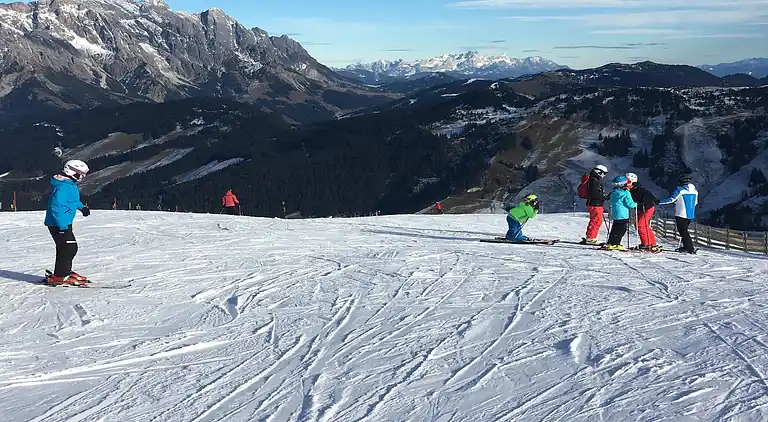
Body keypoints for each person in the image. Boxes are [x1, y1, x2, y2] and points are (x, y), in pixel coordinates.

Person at [44, 159, 91, 285]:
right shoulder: (63, 187)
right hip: (58, 224)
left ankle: (62, 273)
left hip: (63, 223)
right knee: (69, 247)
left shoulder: (69, 184)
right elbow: (56, 208)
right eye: (79, 174)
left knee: (65, 247)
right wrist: (62, 226)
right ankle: (61, 275)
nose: (81, 177)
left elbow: (72, 200)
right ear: (71, 172)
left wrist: (82, 207)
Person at [659, 174, 699, 254]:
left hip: (681, 214)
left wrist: (659, 202)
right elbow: (696, 202)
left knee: (683, 232)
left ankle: (690, 249)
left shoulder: (679, 189)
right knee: (684, 230)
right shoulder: (695, 191)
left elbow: (672, 199)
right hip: (690, 214)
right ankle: (686, 246)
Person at [626, 173, 661, 252]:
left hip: (647, 208)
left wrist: (645, 202)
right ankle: (651, 243)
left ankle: (647, 244)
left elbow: (647, 196)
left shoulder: (637, 190)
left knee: (640, 225)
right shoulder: (633, 189)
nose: (625, 183)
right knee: (643, 225)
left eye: (627, 181)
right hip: (642, 208)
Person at [605, 175, 638, 251]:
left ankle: (610, 242)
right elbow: (630, 204)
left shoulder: (614, 192)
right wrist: (635, 204)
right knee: (621, 230)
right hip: (623, 214)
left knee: (615, 228)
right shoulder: (626, 193)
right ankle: (615, 244)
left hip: (615, 213)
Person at [582, 164, 609, 244]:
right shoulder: (593, 181)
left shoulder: (593, 179)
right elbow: (594, 193)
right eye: (603, 173)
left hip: (595, 203)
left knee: (596, 220)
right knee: (596, 220)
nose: (603, 175)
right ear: (598, 172)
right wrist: (604, 197)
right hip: (595, 203)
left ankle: (590, 237)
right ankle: (591, 238)